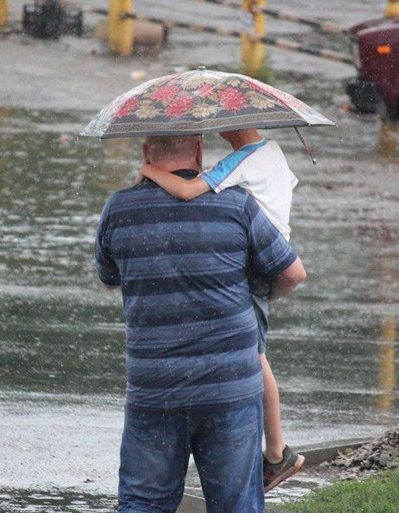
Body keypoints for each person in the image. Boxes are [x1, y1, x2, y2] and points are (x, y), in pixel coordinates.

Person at [95, 134, 306, 513]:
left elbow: (109, 276)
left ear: (146, 153)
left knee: (143, 503)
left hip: (155, 389)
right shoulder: (238, 204)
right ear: (198, 150)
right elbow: (292, 273)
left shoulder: (119, 209)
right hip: (229, 388)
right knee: (236, 505)